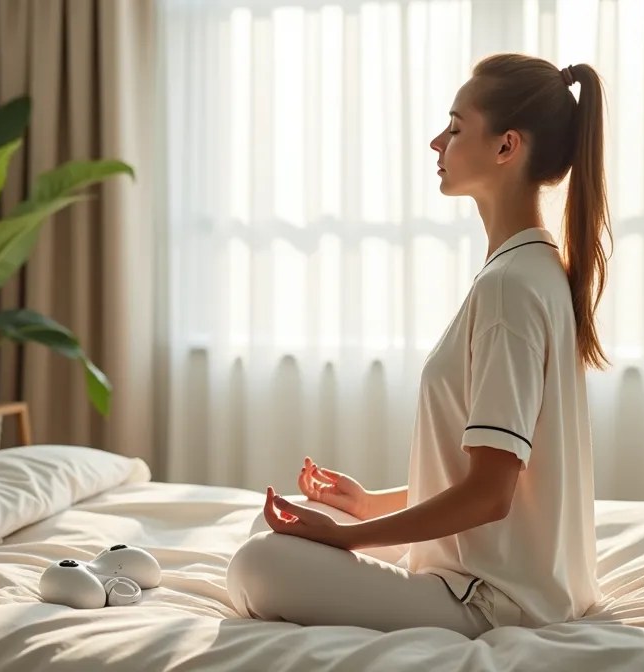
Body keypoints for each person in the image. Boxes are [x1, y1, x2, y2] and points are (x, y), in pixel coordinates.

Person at [225, 53, 611, 638]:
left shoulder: (510, 287)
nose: (437, 142)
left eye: (455, 127)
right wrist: (366, 506)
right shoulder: (532, 269)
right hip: (505, 578)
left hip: (493, 600)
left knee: (256, 564)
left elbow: (491, 495)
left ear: (506, 146)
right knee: (276, 527)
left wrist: (348, 538)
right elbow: (501, 474)